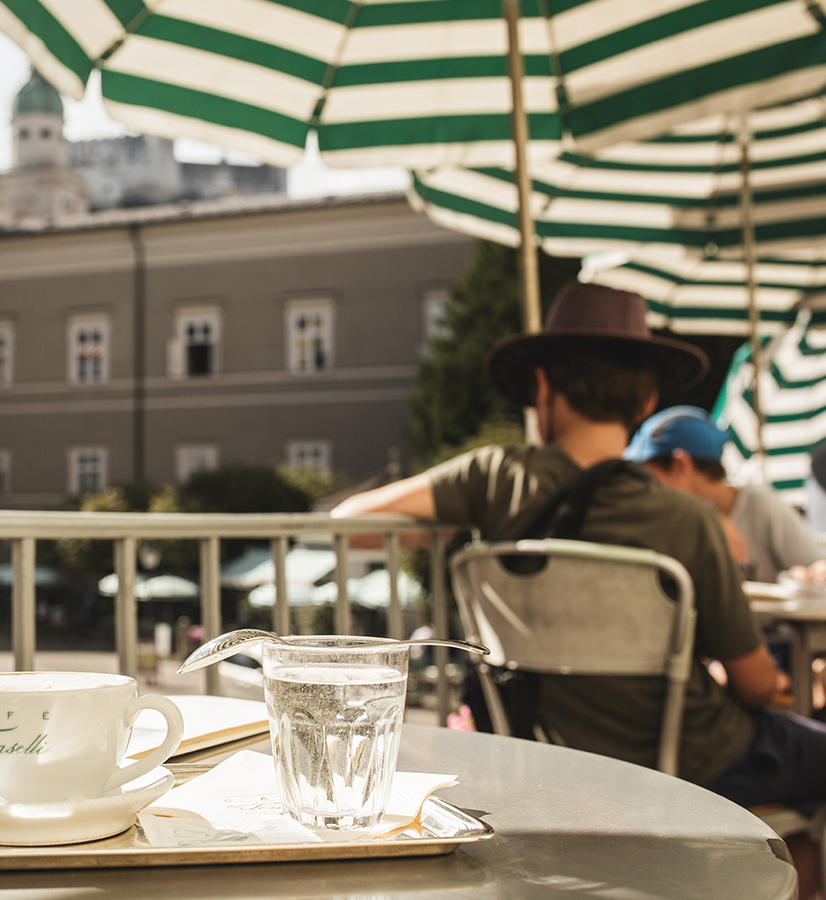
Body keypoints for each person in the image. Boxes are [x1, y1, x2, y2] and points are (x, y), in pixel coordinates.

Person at [331, 284, 826, 859]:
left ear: (543, 387)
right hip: (691, 758)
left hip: (548, 758)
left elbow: (349, 523)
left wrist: (449, 528)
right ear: (647, 402)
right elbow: (756, 684)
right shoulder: (688, 518)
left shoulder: (496, 477)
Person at [625, 406, 819, 584]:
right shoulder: (668, 518)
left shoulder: (762, 505)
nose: (645, 486)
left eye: (649, 475)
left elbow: (816, 567)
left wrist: (808, 576)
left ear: (680, 465)